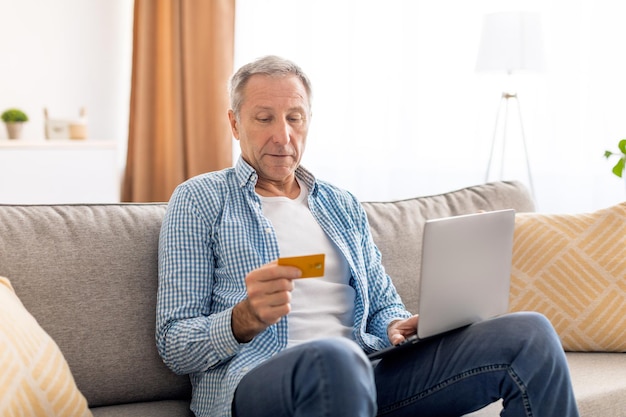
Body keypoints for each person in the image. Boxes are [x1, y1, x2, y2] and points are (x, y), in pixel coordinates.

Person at [156, 55, 580, 417]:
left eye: (294, 118)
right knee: (335, 357)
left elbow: (382, 305)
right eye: (264, 118)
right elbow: (174, 343)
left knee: (530, 336)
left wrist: (396, 324)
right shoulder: (199, 200)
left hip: (367, 370)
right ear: (234, 123)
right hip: (257, 380)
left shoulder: (341, 205)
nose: (282, 136)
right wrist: (241, 320)